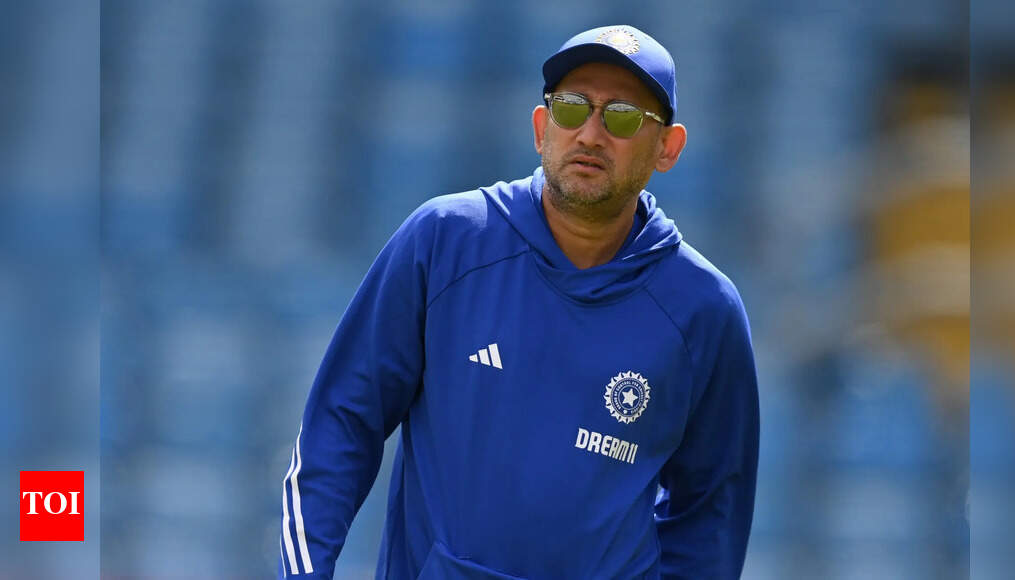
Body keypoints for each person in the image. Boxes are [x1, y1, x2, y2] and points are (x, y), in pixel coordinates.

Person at [278, 25, 759, 580]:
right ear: (540, 128)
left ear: (667, 148)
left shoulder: (704, 310)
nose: (590, 134)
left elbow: (712, 517)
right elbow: (340, 423)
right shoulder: (445, 241)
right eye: (571, 108)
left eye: (623, 116)